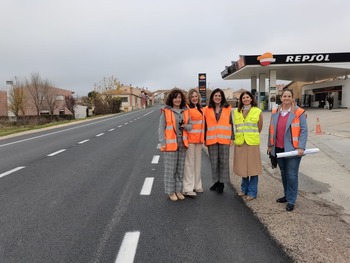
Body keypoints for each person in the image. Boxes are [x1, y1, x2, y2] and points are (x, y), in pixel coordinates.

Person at [268, 89, 308, 211]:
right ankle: (286, 195)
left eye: (289, 96)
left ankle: (291, 200)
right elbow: (271, 129)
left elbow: (304, 131)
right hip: (278, 148)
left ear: (292, 98)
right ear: (281, 98)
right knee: (284, 174)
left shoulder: (299, 112)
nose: (286, 98)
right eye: (284, 96)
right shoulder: (275, 111)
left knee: (291, 175)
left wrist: (301, 147)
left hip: (293, 149)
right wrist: (270, 146)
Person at [159, 89, 192, 201]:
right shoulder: (166, 111)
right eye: (175, 97)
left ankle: (178, 190)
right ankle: (170, 192)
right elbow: (161, 128)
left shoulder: (186, 111)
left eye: (179, 97)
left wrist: (185, 126)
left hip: (182, 143)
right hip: (170, 144)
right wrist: (163, 143)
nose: (177, 100)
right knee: (170, 169)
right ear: (171, 99)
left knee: (180, 169)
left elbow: (190, 126)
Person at [233, 91, 263, 201]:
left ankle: (252, 192)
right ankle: (244, 189)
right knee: (243, 168)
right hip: (241, 142)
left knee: (253, 169)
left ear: (251, 99)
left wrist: (251, 136)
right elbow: (236, 126)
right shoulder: (237, 112)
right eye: (243, 98)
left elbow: (259, 127)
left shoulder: (257, 111)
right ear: (241, 100)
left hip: (252, 143)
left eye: (247, 97)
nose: (245, 99)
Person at [204, 88, 234, 194]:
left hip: (224, 139)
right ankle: (216, 182)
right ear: (212, 97)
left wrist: (232, 138)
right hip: (211, 139)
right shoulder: (207, 109)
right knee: (214, 162)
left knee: (224, 162)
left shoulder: (228, 108)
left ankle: (222, 184)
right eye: (216, 95)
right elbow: (205, 125)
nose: (217, 97)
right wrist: (204, 138)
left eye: (219, 96)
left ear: (222, 97)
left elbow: (232, 123)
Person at [183, 89, 205, 197]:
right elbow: (185, 124)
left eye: (196, 96)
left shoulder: (200, 108)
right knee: (189, 164)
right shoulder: (187, 109)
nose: (194, 98)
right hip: (190, 139)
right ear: (189, 98)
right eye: (192, 97)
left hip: (199, 140)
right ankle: (188, 187)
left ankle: (197, 185)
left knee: (197, 163)